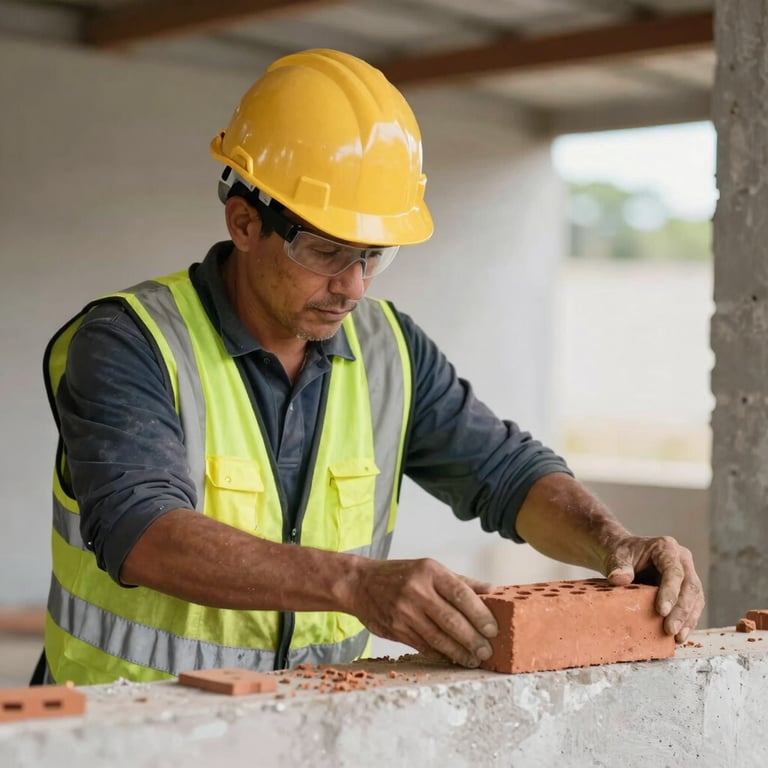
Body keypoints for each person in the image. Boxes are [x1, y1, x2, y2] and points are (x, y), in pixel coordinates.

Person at [38, 48, 703, 686]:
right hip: (125, 735)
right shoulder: (132, 342)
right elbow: (143, 533)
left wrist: (615, 544)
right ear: (244, 223)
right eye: (327, 253)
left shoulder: (389, 350)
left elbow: (506, 475)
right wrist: (355, 584)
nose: (354, 287)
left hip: (312, 730)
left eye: (372, 257)